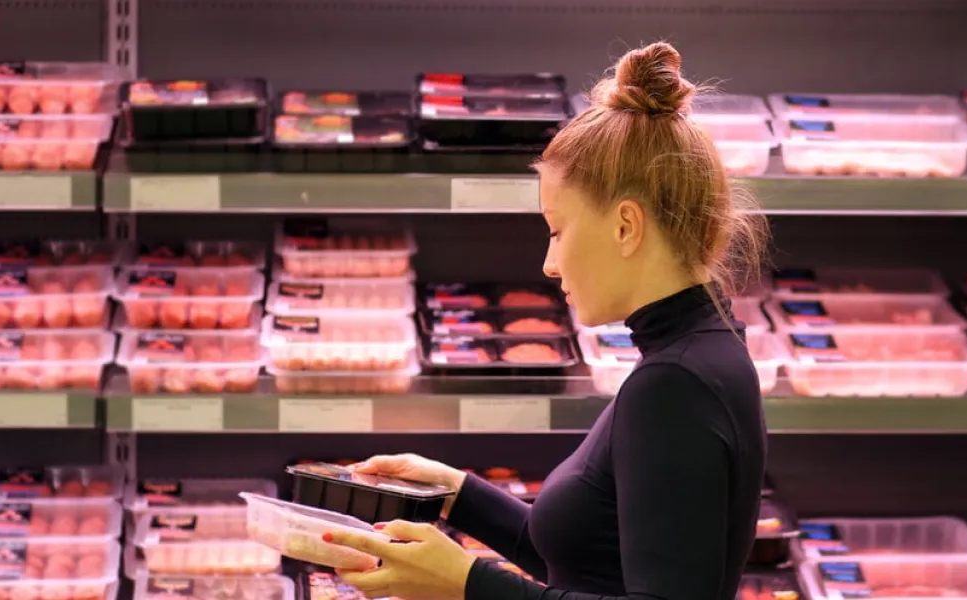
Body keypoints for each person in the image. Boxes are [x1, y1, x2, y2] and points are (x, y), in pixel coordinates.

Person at [322, 40, 770, 600]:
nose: (549, 264)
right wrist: (457, 493)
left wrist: (465, 584)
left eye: (557, 231)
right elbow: (590, 559)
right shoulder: (700, 353)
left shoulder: (675, 387)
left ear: (625, 226)